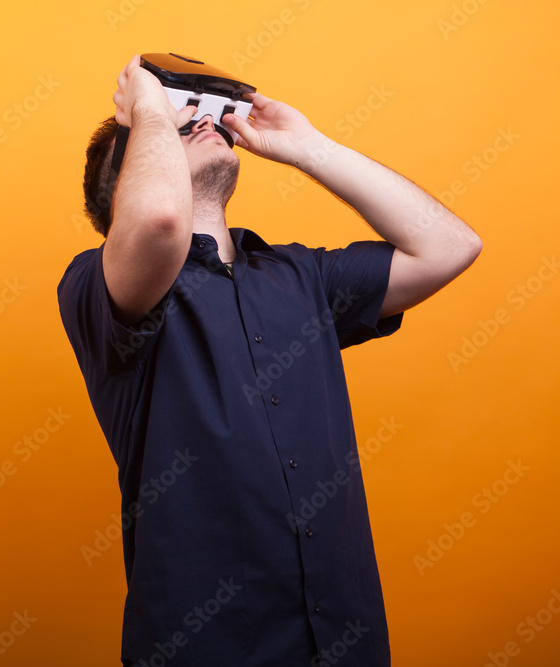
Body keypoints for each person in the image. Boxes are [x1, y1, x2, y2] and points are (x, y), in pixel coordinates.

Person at [56, 54, 482, 666]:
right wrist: (146, 108)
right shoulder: (96, 287)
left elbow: (449, 246)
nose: (203, 121)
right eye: (178, 126)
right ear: (124, 183)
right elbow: (157, 220)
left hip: (347, 645)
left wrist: (310, 149)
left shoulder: (303, 275)